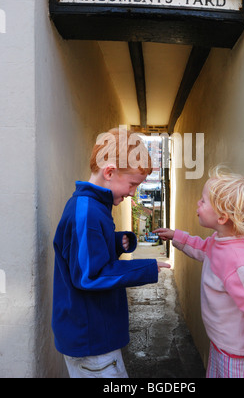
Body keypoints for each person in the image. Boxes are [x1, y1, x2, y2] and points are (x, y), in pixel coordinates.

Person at [52, 127, 170, 378]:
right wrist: (145, 268)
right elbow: (89, 276)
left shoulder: (92, 207)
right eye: (132, 184)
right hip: (91, 339)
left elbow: (83, 253)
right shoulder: (87, 211)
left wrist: (117, 243)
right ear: (109, 172)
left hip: (91, 334)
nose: (132, 193)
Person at [154, 166, 244, 378]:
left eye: (203, 200)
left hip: (238, 358)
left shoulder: (240, 262)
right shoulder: (220, 241)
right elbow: (203, 248)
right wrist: (176, 236)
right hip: (221, 346)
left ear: (222, 217)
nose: (198, 202)